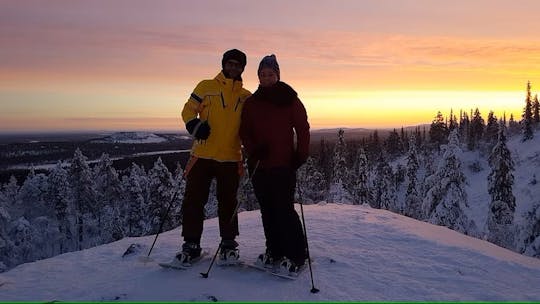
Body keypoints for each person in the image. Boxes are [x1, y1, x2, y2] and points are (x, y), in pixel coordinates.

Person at [172, 49, 251, 265]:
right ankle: (191, 244)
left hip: (231, 157)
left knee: (228, 203)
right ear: (224, 64)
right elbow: (188, 110)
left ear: (243, 68)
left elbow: (253, 125)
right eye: (230, 63)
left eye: (238, 65)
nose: (233, 67)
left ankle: (228, 244)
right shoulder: (206, 86)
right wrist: (195, 125)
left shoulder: (246, 97)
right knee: (193, 201)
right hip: (202, 155)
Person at [239, 54, 310, 274]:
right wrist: (252, 151)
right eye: (262, 74)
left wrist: (300, 155)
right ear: (258, 77)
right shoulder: (251, 102)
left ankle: (297, 254)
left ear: (277, 75)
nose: (266, 77)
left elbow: (303, 128)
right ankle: (275, 250)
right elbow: (245, 131)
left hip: (283, 164)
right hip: (259, 165)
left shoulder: (290, 98)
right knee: (267, 211)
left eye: (270, 74)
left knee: (284, 210)